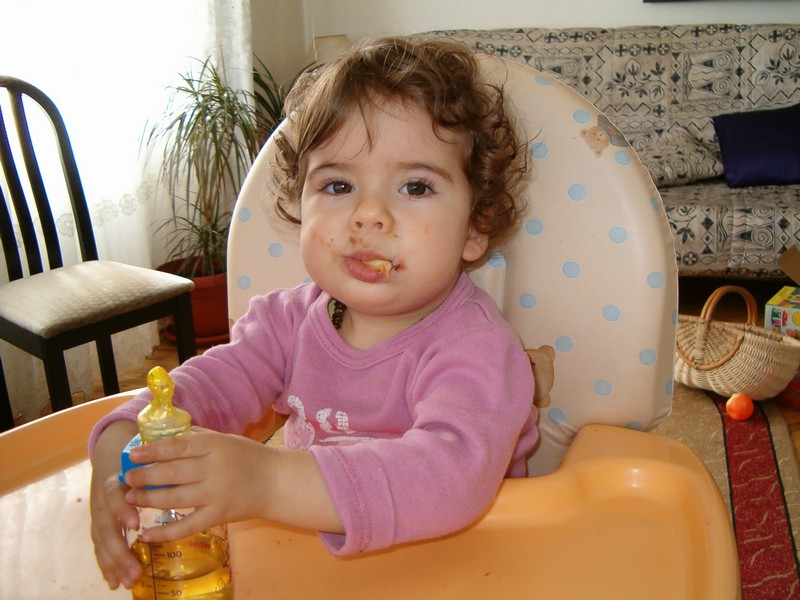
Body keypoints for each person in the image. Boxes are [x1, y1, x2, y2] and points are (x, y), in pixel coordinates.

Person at [89, 36, 539, 591]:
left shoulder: (479, 350)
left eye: (415, 186)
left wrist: (269, 482)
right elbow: (206, 387)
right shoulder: (284, 323)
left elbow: (451, 479)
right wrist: (121, 447)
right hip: (318, 570)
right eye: (338, 184)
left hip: (467, 569)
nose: (368, 214)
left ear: (475, 227)